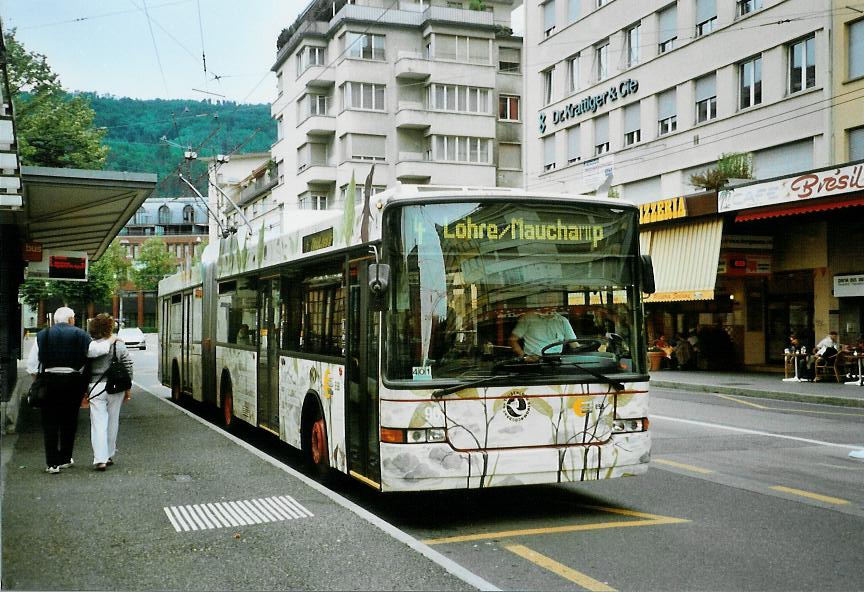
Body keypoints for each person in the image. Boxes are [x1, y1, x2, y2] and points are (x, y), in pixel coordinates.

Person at [26, 307, 112, 474]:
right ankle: (65, 458)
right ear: (72, 319)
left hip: (49, 381)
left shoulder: (43, 335)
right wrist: (110, 340)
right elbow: (95, 351)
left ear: (54, 320)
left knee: (50, 422)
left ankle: (52, 464)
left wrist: (39, 381)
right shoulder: (80, 334)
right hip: (72, 382)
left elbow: (32, 365)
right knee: (69, 420)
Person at [86, 313, 133, 471]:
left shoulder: (90, 345)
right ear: (110, 327)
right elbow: (128, 364)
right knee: (113, 421)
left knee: (98, 423)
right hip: (115, 387)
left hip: (95, 386)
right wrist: (128, 388)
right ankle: (109, 454)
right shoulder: (118, 345)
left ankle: (100, 459)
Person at [508, 295, 577, 361]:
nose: (550, 305)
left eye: (553, 302)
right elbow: (512, 340)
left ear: (557, 304)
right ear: (540, 302)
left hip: (556, 361)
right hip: (533, 362)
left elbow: (574, 344)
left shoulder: (563, 321)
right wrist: (524, 356)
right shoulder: (528, 318)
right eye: (547, 302)